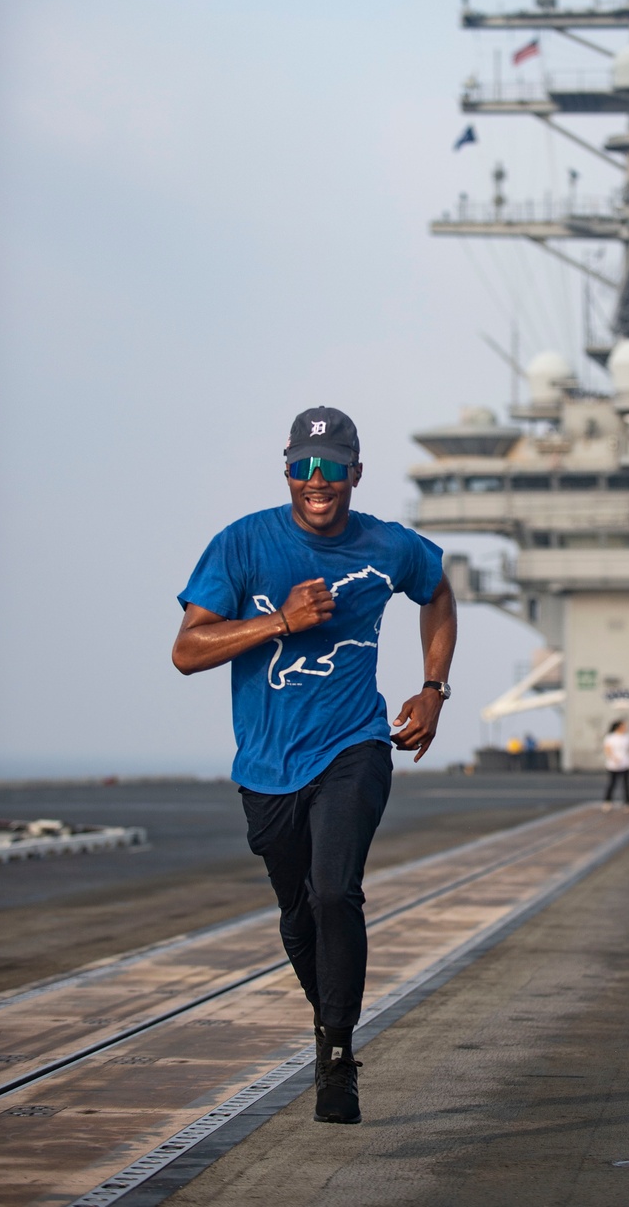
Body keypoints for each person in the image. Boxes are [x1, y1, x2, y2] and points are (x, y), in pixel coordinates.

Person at [172, 406, 457, 1126]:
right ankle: (330, 1018)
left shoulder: (389, 546)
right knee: (298, 914)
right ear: (288, 471)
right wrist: (279, 622)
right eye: (304, 466)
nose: (317, 480)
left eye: (332, 467)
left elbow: (438, 592)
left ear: (356, 474)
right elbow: (187, 651)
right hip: (267, 764)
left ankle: (336, 1057)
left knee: (335, 894)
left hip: (354, 744)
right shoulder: (241, 544)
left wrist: (433, 688)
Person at [601, 719, 629, 811]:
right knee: (611, 783)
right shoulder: (610, 737)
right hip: (613, 765)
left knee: (626, 784)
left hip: (625, 764)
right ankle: (607, 801)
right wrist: (614, 758)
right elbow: (607, 749)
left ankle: (628, 803)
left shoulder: (627, 737)